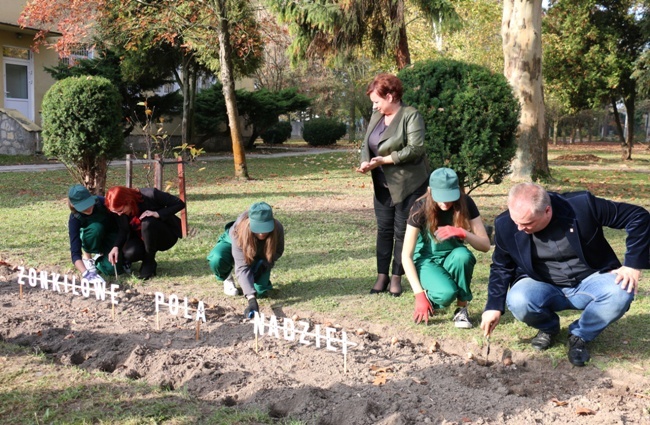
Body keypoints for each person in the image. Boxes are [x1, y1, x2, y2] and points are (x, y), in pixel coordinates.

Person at [480, 183, 649, 366]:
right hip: (542, 284)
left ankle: (580, 335)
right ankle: (548, 328)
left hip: (591, 280)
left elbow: (638, 216)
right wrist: (493, 306)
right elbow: (501, 267)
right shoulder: (505, 224)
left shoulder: (581, 206)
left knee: (621, 291)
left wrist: (632, 264)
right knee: (518, 299)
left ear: (547, 210)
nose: (520, 228)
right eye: (516, 222)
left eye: (527, 223)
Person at [357, 73, 430, 297]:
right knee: (384, 230)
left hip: (408, 185)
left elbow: (416, 148)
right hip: (382, 185)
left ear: (390, 96)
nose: (375, 106)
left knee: (402, 231)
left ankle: (397, 277)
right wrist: (364, 161)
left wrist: (386, 160)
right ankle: (382, 275)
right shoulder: (376, 116)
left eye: (377, 101)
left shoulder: (410, 115)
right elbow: (366, 142)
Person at [402, 168, 491, 328]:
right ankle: (432, 297)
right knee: (446, 294)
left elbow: (485, 246)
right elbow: (406, 256)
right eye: (440, 197)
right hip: (426, 260)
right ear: (430, 191)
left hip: (452, 257)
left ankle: (461, 309)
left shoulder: (466, 202)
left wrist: (462, 232)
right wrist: (419, 295)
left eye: (449, 197)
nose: (445, 203)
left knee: (463, 256)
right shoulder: (419, 208)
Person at [207, 202, 284, 318]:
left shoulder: (277, 228)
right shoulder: (239, 230)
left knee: (261, 292)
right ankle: (227, 277)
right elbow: (242, 267)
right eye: (258, 228)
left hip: (257, 251)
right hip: (232, 243)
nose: (262, 233)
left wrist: (265, 263)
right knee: (217, 258)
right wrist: (251, 300)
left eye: (265, 228)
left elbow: (278, 251)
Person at [105, 186, 185, 280]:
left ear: (129, 201)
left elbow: (179, 203)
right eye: (115, 212)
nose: (119, 214)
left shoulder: (150, 194)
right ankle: (148, 259)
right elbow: (124, 230)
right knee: (130, 253)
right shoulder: (119, 212)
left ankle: (149, 262)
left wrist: (157, 213)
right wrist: (116, 246)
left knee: (147, 222)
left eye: (120, 210)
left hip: (164, 235)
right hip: (141, 238)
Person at [67, 184, 125, 284]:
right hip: (92, 237)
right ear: (74, 206)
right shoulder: (74, 218)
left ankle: (100, 259)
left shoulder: (102, 202)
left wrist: (116, 246)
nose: (88, 208)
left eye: (89, 204)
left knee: (112, 270)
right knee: (96, 228)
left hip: (110, 236)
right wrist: (86, 273)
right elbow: (75, 252)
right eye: (83, 207)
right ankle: (88, 258)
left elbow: (122, 227)